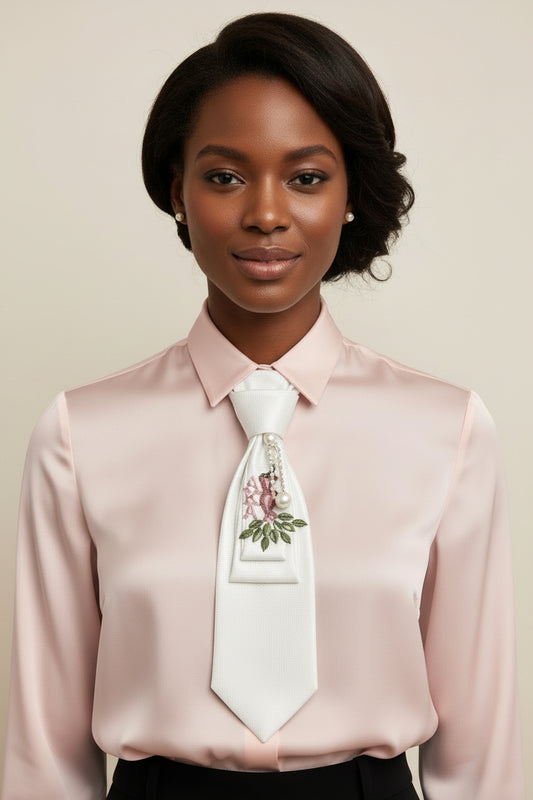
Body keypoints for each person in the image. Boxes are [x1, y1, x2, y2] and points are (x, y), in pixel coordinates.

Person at [1, 12, 525, 800]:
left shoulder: (446, 431)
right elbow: (43, 755)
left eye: (307, 177)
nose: (266, 214)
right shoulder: (80, 435)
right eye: (224, 176)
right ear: (175, 192)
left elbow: (484, 754)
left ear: (350, 193)